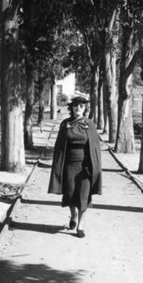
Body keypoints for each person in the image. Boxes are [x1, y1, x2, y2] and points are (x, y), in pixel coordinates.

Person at [48, 96, 102, 238]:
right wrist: (66, 130)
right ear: (71, 108)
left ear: (85, 109)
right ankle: (73, 216)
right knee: (71, 194)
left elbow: (95, 147)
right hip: (69, 165)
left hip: (85, 167)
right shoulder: (65, 123)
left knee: (83, 195)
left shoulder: (89, 124)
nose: (78, 108)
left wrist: (93, 167)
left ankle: (80, 225)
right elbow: (59, 145)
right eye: (76, 105)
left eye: (81, 106)